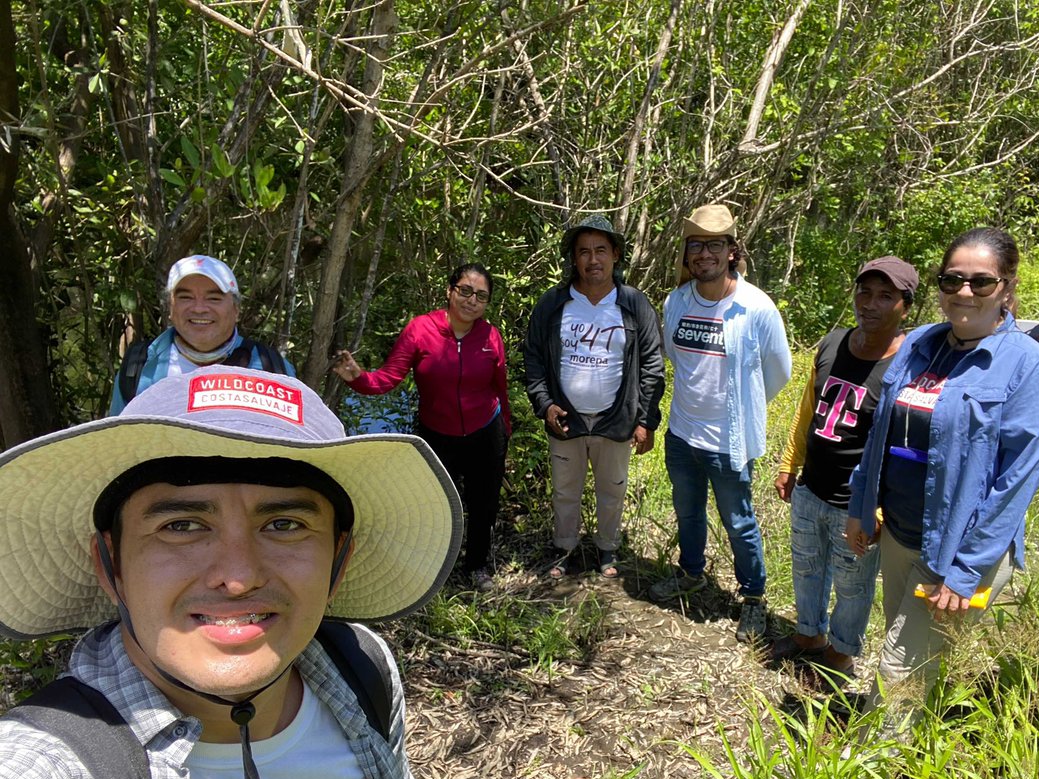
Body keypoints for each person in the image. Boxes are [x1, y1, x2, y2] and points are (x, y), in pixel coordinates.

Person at [0, 366, 469, 779]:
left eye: (284, 524)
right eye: (180, 526)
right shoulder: (63, 778)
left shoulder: (360, 669)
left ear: (339, 562)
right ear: (111, 566)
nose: (239, 576)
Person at [846, 227, 1039, 728]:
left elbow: (1016, 481)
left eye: (981, 282)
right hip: (900, 531)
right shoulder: (921, 342)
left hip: (958, 550)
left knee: (898, 668)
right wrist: (861, 505)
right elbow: (881, 431)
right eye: (952, 279)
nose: (964, 292)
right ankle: (913, 749)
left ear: (1007, 286)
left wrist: (967, 570)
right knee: (911, 656)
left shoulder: (1029, 367)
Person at [652, 203, 792, 643]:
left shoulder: (755, 308)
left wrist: (742, 406)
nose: (704, 254)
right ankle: (691, 573)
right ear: (687, 254)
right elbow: (675, 357)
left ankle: (753, 599)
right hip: (682, 434)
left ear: (732, 251)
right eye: (696, 245)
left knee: (740, 521)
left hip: (728, 441)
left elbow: (779, 371)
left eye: (714, 245)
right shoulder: (675, 301)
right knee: (687, 511)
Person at [771, 256, 917, 676]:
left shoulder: (906, 364)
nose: (869, 304)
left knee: (853, 585)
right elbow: (807, 410)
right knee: (806, 567)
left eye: (885, 296)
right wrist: (788, 464)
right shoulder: (833, 342)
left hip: (856, 502)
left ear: (905, 306)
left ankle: (841, 653)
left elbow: (903, 443)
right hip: (811, 487)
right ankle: (807, 634)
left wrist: (878, 506)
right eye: (864, 292)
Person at [332, 263, 511, 591]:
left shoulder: (490, 337)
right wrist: (358, 379)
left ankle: (477, 566)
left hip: (486, 430)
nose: (472, 300)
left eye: (481, 296)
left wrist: (505, 433)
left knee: (484, 502)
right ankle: (434, 570)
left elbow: (500, 388)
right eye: (465, 291)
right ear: (450, 291)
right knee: (436, 504)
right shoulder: (420, 330)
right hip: (437, 434)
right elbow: (387, 378)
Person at [524, 214, 665, 579]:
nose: (592, 260)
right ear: (573, 257)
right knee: (565, 491)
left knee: (612, 491)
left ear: (615, 255)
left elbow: (652, 364)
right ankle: (564, 548)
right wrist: (544, 403)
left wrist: (646, 420)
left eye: (601, 250)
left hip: (616, 419)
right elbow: (534, 358)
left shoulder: (634, 304)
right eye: (583, 251)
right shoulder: (553, 304)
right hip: (566, 418)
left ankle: (607, 550)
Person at [108, 254, 295, 414]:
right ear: (170, 308)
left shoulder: (272, 368)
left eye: (213, 298)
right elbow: (117, 445)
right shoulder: (138, 366)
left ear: (236, 309)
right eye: (185, 297)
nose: (199, 309)